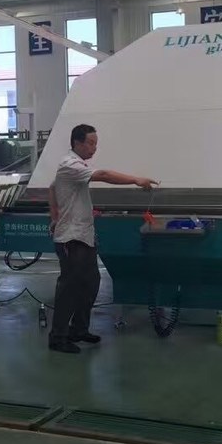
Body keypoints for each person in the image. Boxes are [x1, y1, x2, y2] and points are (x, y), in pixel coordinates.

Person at [48, 124, 157, 354]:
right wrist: (136, 180)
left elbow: (52, 187)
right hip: (71, 238)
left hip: (84, 235)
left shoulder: (75, 166)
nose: (94, 148)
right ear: (77, 143)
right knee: (69, 287)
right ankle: (58, 337)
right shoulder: (70, 164)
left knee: (91, 283)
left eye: (96, 143)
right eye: (91, 143)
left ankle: (79, 329)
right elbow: (104, 175)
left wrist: (55, 216)